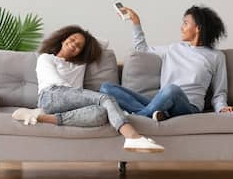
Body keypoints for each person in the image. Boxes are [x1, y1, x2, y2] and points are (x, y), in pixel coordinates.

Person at [12, 25, 164, 153]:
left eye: (79, 46)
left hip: (70, 103)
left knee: (101, 113)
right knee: (104, 98)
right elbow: (56, 83)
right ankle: (133, 137)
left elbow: (103, 43)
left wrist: (86, 39)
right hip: (51, 95)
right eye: (71, 40)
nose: (74, 45)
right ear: (63, 39)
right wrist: (84, 96)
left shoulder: (80, 64)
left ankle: (39, 117)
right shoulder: (46, 58)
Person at [100, 5, 233, 122]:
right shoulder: (173, 49)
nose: (181, 27)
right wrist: (136, 22)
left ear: (198, 28)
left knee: (172, 89)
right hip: (162, 101)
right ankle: (156, 114)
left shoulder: (216, 57)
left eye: (185, 23)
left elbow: (219, 92)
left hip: (188, 107)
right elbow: (142, 49)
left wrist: (222, 107)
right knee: (106, 88)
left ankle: (139, 118)